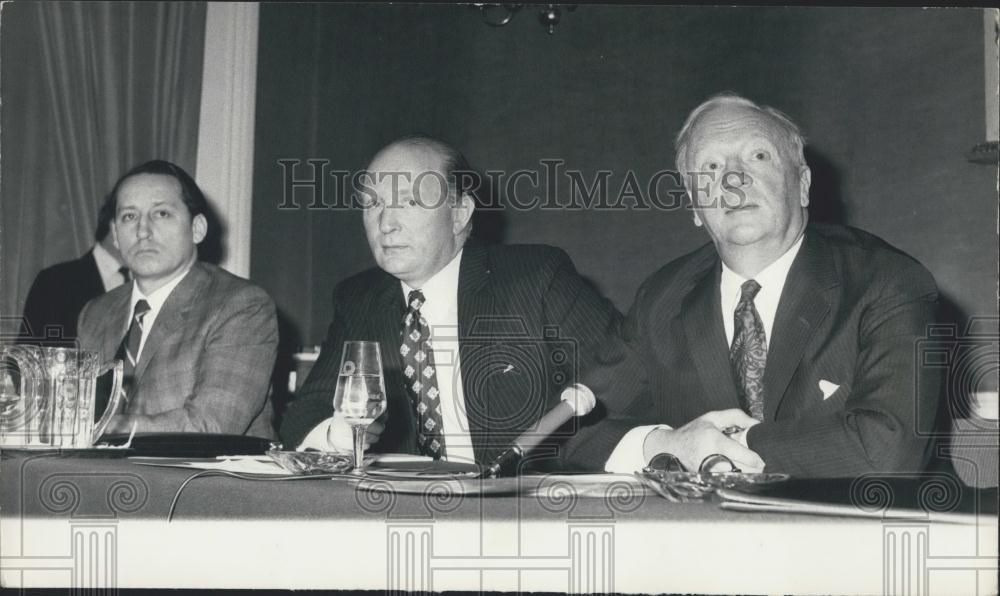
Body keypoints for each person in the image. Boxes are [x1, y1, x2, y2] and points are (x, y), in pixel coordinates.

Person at [572, 94, 942, 478]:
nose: (733, 179)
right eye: (711, 166)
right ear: (695, 206)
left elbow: (888, 450)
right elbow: (570, 428)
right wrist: (667, 446)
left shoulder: (885, 281)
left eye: (758, 156)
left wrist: (728, 448)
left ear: (802, 184)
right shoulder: (661, 299)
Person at [279, 136, 622, 468]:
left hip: (520, 497)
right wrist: (341, 434)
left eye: (410, 202)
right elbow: (303, 417)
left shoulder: (535, 277)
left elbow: (622, 376)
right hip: (398, 501)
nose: (385, 224)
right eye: (373, 204)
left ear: (459, 214)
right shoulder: (358, 298)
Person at [77, 160, 278, 438]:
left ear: (197, 229)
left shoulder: (242, 305)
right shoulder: (95, 314)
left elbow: (211, 426)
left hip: (207, 466)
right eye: (129, 217)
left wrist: (100, 427)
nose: (142, 231)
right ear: (115, 235)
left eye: (161, 214)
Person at [21, 196, 128, 344]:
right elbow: (28, 353)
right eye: (132, 218)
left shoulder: (151, 285)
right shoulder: (54, 282)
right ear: (113, 226)